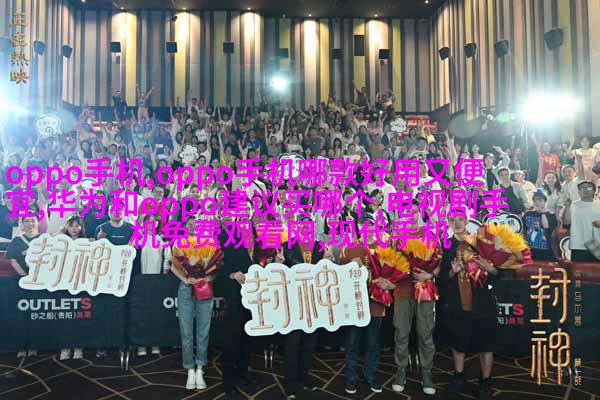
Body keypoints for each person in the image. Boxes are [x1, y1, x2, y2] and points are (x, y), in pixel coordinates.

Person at [440, 215, 499, 400]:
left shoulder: (479, 242)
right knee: (458, 342)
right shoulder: (446, 246)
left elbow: (500, 272)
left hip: (482, 301)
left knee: (486, 344)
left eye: (460, 219)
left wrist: (490, 269)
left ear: (466, 221)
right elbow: (441, 277)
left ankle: (485, 381)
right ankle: (459, 376)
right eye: (452, 220)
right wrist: (452, 271)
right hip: (457, 302)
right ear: (448, 223)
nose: (456, 224)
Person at [392, 205, 439, 396]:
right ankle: (401, 370)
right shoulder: (398, 237)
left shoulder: (430, 235)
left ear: (419, 213)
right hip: (403, 291)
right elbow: (391, 263)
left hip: (425, 291)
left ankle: (426, 372)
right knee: (401, 332)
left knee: (426, 333)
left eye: (414, 211)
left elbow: (440, 263)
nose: (411, 215)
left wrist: (429, 275)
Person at [170, 216, 220, 391]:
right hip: (185, 288)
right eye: (189, 223)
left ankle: (200, 368)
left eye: (196, 223)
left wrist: (209, 277)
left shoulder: (210, 243)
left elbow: (217, 266)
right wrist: (185, 279)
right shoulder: (179, 243)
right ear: (185, 226)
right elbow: (173, 266)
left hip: (204, 288)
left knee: (203, 330)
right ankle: (189, 368)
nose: (193, 226)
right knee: (186, 330)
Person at [282, 230, 326, 399]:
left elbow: (326, 271)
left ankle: (305, 378)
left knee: (309, 343)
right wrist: (278, 262)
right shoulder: (287, 246)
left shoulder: (320, 246)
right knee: (292, 344)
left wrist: (328, 260)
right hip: (293, 302)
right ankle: (290, 385)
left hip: (313, 302)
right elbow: (280, 272)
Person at [6, 213, 41, 358]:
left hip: (40, 283)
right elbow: (13, 260)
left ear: (38, 222)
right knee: (21, 316)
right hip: (21, 282)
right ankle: (21, 346)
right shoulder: (16, 240)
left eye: (33, 221)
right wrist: (25, 277)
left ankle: (34, 346)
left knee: (37, 315)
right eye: (26, 221)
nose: (30, 224)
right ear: (22, 224)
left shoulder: (44, 239)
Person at [137, 214, 168, 357]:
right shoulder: (138, 239)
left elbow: (167, 260)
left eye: (153, 222)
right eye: (147, 222)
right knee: (141, 314)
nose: (150, 225)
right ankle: (141, 344)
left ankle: (155, 342)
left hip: (156, 282)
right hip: (140, 282)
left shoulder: (161, 240)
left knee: (156, 314)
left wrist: (164, 273)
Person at [58, 216, 87, 360]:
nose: (74, 229)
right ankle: (65, 347)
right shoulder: (60, 241)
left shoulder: (87, 242)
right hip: (63, 284)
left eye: (77, 226)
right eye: (71, 226)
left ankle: (78, 347)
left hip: (81, 284)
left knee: (80, 316)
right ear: (67, 227)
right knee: (66, 316)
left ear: (81, 227)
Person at [563, 180, 600, 262]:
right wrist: (567, 206)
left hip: (597, 245)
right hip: (578, 245)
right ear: (579, 192)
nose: (586, 190)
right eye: (583, 188)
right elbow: (566, 224)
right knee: (578, 269)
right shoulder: (573, 205)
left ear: (594, 191)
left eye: (589, 188)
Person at [523, 192, 557, 261]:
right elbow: (523, 229)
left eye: (540, 200)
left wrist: (542, 213)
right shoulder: (528, 214)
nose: (537, 202)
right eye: (535, 200)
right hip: (531, 248)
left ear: (545, 201)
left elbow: (547, 228)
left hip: (546, 249)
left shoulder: (551, 215)